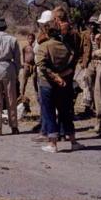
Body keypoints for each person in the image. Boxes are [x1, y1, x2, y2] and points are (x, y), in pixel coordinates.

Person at [37, 20, 84, 153]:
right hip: (64, 84)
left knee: (49, 113)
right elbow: (72, 66)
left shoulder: (44, 46)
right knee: (65, 113)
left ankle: (53, 144)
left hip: (47, 85)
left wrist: (55, 77)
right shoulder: (67, 47)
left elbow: (42, 66)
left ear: (47, 32)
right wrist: (61, 76)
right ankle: (73, 141)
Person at [31, 10, 53, 138]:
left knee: (45, 102)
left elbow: (36, 50)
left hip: (44, 72)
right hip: (54, 72)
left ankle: (45, 130)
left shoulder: (43, 37)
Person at [75, 16, 100, 118]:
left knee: (97, 85)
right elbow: (80, 49)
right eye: (90, 24)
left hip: (99, 62)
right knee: (86, 84)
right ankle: (87, 107)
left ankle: (96, 106)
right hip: (89, 63)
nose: (92, 26)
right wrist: (82, 61)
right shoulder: (84, 34)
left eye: (94, 24)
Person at [21, 33, 38, 97]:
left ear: (34, 39)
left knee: (35, 80)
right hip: (26, 65)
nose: (30, 40)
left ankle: (37, 94)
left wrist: (35, 65)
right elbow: (23, 55)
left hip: (33, 66)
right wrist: (23, 63)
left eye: (32, 39)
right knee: (24, 81)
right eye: (29, 39)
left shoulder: (35, 48)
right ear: (27, 39)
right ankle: (22, 94)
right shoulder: (25, 47)